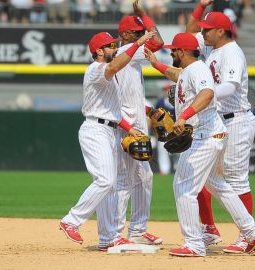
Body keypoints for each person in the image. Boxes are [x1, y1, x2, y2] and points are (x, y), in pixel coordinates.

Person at [145, 32, 255, 257]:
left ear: (182, 52)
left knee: (183, 186)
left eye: (173, 49)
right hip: (209, 134)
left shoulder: (198, 69)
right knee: (217, 185)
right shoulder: (191, 70)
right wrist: (156, 64)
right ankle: (252, 231)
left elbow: (208, 92)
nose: (171, 52)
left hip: (205, 136)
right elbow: (179, 75)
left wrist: (184, 116)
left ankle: (194, 243)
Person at [58, 30, 155, 246]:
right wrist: (138, 42)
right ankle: (71, 221)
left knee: (110, 186)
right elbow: (114, 66)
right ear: (99, 51)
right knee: (105, 180)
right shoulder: (96, 69)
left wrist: (130, 129)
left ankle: (109, 238)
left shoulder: (109, 77)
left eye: (115, 45)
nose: (115, 48)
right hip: (95, 130)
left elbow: (112, 112)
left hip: (110, 130)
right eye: (111, 46)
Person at [186, 1, 255, 254]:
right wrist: (199, 8)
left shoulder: (232, 52)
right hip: (220, 119)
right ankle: (210, 229)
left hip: (236, 118)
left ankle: (247, 235)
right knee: (206, 174)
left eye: (207, 29)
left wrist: (204, 95)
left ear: (221, 31)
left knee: (237, 179)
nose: (203, 33)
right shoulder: (214, 49)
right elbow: (187, 35)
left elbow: (230, 87)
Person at [95, 0, 165, 250]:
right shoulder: (129, 51)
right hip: (125, 126)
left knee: (144, 177)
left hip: (136, 123)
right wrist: (144, 15)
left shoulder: (131, 56)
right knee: (124, 180)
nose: (144, 37)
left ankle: (137, 230)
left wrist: (149, 110)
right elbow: (157, 42)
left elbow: (130, 96)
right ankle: (114, 234)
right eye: (138, 33)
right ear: (126, 35)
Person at [155, 84, 175, 175]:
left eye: (168, 90)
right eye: (165, 90)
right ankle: (164, 170)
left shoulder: (177, 101)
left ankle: (179, 168)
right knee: (162, 150)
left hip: (176, 129)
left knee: (180, 150)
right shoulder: (160, 102)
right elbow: (155, 117)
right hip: (163, 130)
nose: (166, 92)